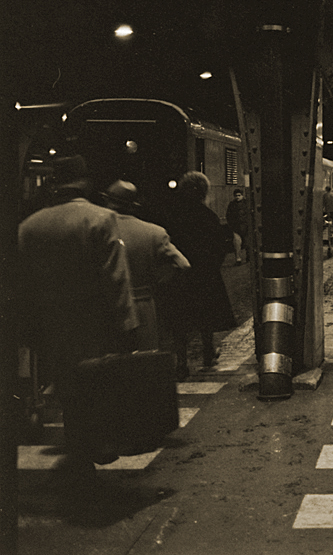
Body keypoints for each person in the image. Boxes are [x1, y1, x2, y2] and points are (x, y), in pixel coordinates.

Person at [18, 155, 138, 481]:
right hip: (94, 322)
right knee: (97, 386)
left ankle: (78, 449)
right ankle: (96, 444)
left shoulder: (29, 226)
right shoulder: (101, 219)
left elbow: (23, 284)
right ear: (84, 182)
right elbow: (116, 277)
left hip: (51, 324)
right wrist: (127, 323)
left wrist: (28, 329)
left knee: (67, 388)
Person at [162, 171, 236, 378]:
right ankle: (207, 353)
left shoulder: (172, 216)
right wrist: (212, 265)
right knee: (206, 317)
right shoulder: (209, 217)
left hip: (180, 275)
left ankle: (182, 363)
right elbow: (221, 247)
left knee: (180, 321)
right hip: (205, 274)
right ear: (203, 192)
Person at [102, 180, 190, 353]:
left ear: (107, 201)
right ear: (135, 205)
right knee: (145, 356)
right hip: (143, 302)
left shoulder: (97, 229)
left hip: (107, 305)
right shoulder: (154, 232)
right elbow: (183, 264)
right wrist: (159, 279)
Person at [226, 188, 249, 264]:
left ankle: (247, 257)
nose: (237, 197)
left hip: (245, 226)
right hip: (237, 227)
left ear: (242, 195)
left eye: (239, 195)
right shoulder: (234, 204)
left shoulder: (245, 203)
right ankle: (238, 259)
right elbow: (228, 215)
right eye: (236, 196)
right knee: (237, 243)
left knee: (247, 243)